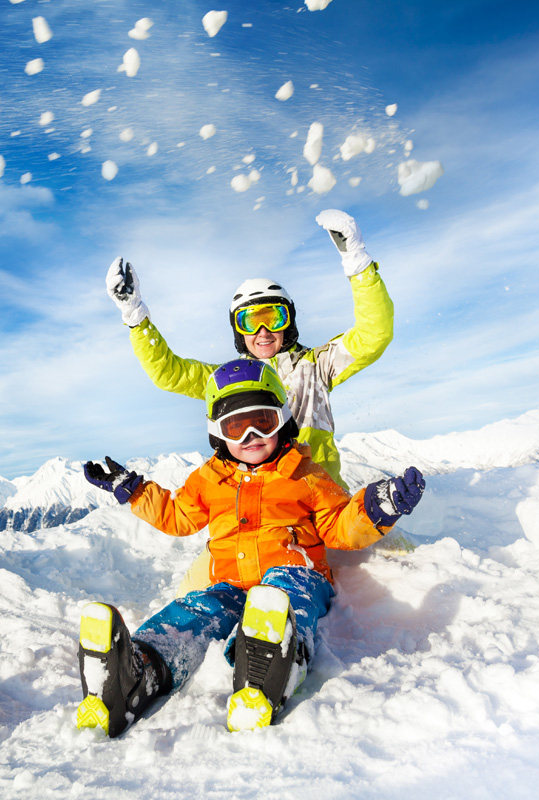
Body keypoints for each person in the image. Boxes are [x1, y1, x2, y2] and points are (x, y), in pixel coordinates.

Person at [78, 359, 425, 737]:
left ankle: (274, 658)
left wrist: (376, 509)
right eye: (236, 427)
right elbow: (178, 516)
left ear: (283, 419)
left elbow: (340, 526)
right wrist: (134, 490)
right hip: (231, 584)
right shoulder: (210, 479)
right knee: (197, 609)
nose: (251, 436)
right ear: (218, 434)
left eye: (263, 421)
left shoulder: (305, 475)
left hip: (297, 577)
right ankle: (139, 669)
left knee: (282, 588)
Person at [106, 209, 397, 591]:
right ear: (237, 331)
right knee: (197, 591)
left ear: (288, 322)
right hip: (250, 514)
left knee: (393, 569)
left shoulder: (315, 366)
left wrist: (357, 261)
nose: (262, 331)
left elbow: (373, 334)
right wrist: (134, 316)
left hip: (315, 510)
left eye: (272, 318)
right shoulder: (227, 383)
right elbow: (170, 373)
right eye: (249, 321)